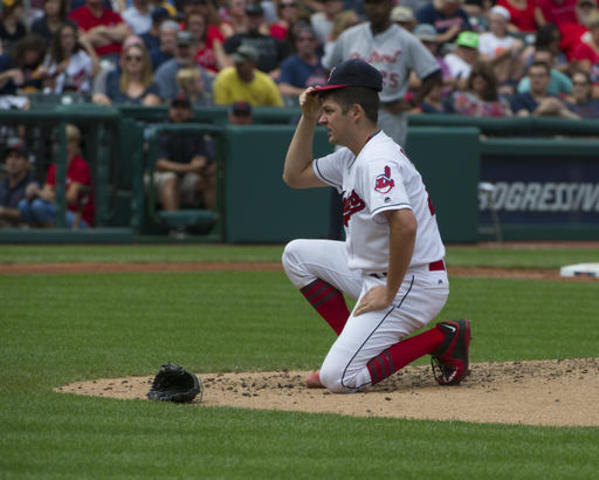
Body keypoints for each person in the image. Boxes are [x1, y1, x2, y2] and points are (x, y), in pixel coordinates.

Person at [281, 59, 471, 393]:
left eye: (328, 111)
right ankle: (358, 347)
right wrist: (307, 118)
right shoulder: (350, 156)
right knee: (296, 254)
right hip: (372, 273)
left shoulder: (377, 159)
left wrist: (390, 291)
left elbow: (405, 225)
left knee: (340, 379)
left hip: (413, 282)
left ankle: (443, 339)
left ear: (355, 112)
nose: (323, 118)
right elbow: (294, 176)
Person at [323, 0, 442, 147]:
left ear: (390, 6)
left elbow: (433, 73)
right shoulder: (349, 36)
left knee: (385, 165)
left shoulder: (406, 40)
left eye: (378, 3)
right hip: (350, 112)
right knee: (344, 165)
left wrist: (413, 102)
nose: (373, 8)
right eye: (369, 3)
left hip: (387, 113)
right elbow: (328, 67)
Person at [18, 124, 95, 230]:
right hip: (55, 210)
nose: (58, 145)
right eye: (56, 142)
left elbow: (71, 198)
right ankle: (38, 239)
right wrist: (37, 192)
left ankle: (54, 239)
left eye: (66, 141)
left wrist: (42, 193)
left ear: (75, 143)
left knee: (38, 206)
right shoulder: (54, 167)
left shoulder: (80, 165)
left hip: (78, 220)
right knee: (24, 205)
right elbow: (46, 191)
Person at [149, 95, 215, 213]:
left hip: (185, 176)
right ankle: (176, 228)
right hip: (157, 177)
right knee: (170, 179)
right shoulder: (159, 130)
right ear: (169, 111)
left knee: (207, 181)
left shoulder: (196, 130)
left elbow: (202, 159)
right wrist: (190, 167)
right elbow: (161, 165)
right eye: (175, 108)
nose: (178, 111)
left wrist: (202, 164)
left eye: (183, 108)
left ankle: (217, 225)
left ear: (190, 113)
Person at [223, 2, 289, 79]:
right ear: (245, 17)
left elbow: (286, 62)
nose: (253, 20)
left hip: (271, 81)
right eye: (250, 16)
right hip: (244, 79)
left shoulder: (274, 41)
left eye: (257, 17)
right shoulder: (234, 39)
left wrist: (278, 71)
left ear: (263, 18)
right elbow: (227, 62)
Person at [38, 21, 100, 96]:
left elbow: (96, 71)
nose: (68, 40)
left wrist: (87, 45)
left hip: (80, 97)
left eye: (71, 36)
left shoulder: (81, 55)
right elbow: (47, 83)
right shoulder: (51, 56)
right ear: (59, 39)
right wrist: (56, 72)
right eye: (65, 37)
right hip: (57, 97)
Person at [213, 43, 284, 106]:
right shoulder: (224, 77)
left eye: (241, 64)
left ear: (253, 65)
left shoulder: (266, 82)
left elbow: (278, 109)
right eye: (236, 63)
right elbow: (220, 110)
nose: (237, 67)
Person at [93, 42, 161, 105]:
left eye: (138, 58)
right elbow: (99, 97)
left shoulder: (152, 86)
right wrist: (98, 98)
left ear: (144, 62)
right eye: (129, 58)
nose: (133, 61)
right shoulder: (113, 79)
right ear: (124, 61)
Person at [154, 30, 215, 101]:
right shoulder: (164, 72)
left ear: (195, 49)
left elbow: (207, 105)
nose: (183, 51)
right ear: (175, 49)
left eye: (186, 47)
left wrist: (198, 93)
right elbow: (163, 103)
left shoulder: (203, 75)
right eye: (180, 47)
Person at [477, 6, 525, 92]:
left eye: (499, 22)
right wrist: (507, 51)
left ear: (506, 23)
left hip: (510, 77)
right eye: (493, 22)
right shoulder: (484, 38)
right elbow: (486, 62)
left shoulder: (512, 41)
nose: (496, 25)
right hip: (490, 77)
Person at [444, 60, 513, 116]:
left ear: (490, 81)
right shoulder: (461, 100)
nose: (479, 79)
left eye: (483, 76)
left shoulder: (501, 103)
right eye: (475, 75)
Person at [510, 61, 577, 116]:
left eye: (541, 76)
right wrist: (542, 109)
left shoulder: (555, 99)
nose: (536, 79)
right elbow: (524, 123)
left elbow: (577, 122)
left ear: (548, 79)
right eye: (532, 75)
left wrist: (561, 109)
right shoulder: (519, 99)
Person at [278, 25, 327, 100]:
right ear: (296, 43)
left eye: (310, 39)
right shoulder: (290, 63)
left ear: (316, 43)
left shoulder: (325, 61)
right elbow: (283, 88)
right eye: (301, 40)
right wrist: (308, 93)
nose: (306, 43)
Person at [0, 138, 37, 228]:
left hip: (22, 234)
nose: (12, 161)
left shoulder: (32, 186)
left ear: (27, 163)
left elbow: (28, 215)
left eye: (17, 157)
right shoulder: (2, 184)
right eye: (10, 156)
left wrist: (3, 211)